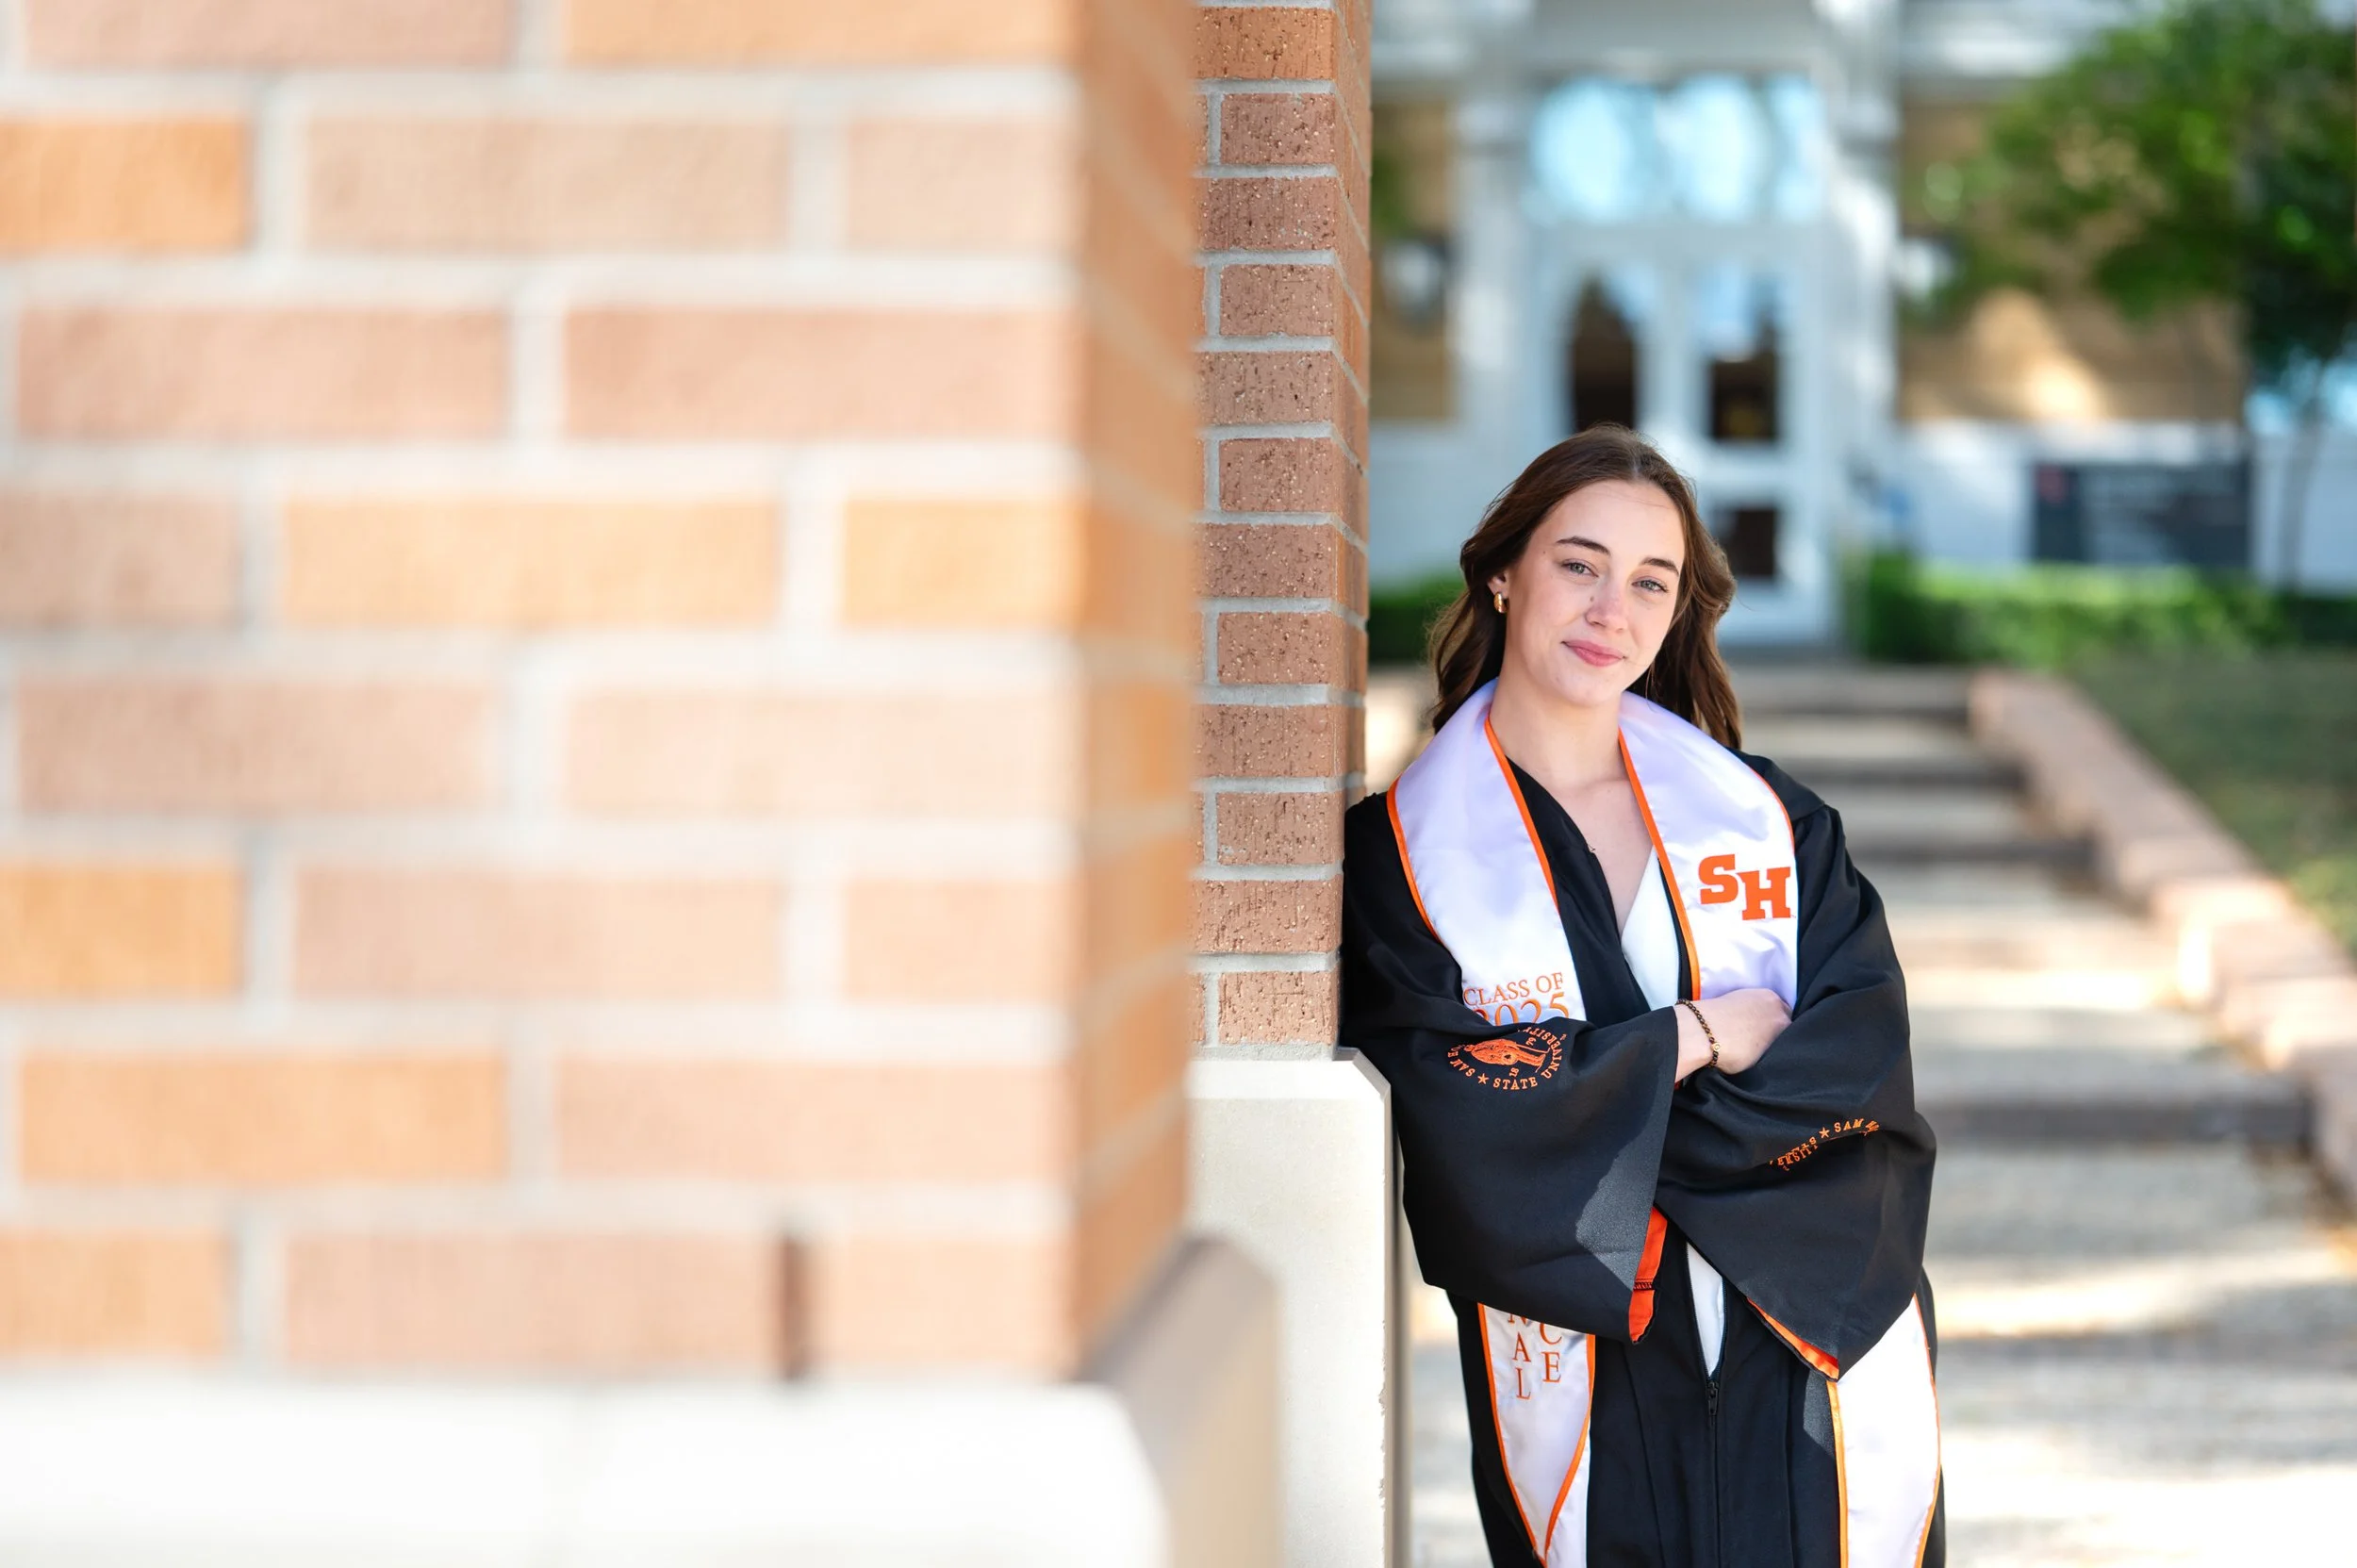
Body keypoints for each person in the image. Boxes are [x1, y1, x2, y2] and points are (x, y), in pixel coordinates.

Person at [1342, 427, 1941, 1568]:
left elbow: (1857, 1069)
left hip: (1801, 1325)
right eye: (1577, 563)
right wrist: (1693, 1036)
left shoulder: (1767, 825)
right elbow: (1454, 1105)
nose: (1609, 607)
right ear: (1503, 571)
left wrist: (1601, 1095)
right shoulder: (1404, 858)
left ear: (1675, 614)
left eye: (1648, 581)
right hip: (1589, 1334)